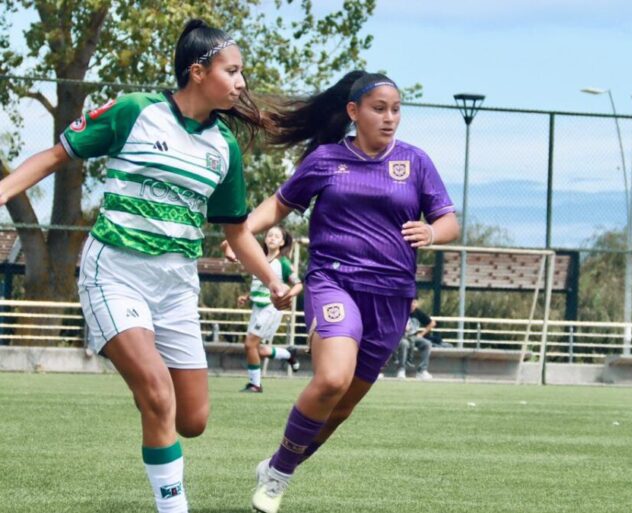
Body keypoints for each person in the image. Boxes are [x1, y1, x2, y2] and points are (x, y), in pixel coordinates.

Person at [0, 19, 290, 513]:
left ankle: (150, 391)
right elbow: (54, 156)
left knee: (192, 420)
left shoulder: (223, 147)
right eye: (232, 71)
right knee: (157, 393)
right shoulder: (135, 111)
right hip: (114, 273)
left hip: (175, 287)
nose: (241, 82)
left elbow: (237, 232)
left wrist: (272, 279)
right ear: (198, 72)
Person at [222, 70, 459, 513]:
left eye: (396, 110)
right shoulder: (326, 159)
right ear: (354, 111)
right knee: (332, 379)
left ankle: (276, 465)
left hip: (392, 297)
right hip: (335, 282)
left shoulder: (416, 162)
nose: (389, 118)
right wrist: (241, 234)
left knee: (341, 409)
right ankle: (278, 479)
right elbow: (278, 205)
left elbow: (448, 221)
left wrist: (432, 231)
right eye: (379, 109)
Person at [238, 226, 303, 393]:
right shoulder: (259, 259)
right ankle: (288, 354)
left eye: (276, 236)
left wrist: (287, 296)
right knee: (256, 349)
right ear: (265, 239)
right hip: (257, 307)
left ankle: (255, 385)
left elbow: (298, 284)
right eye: (270, 235)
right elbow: (261, 284)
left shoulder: (283, 263)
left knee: (249, 345)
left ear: (282, 242)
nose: (272, 238)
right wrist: (247, 296)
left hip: (271, 308)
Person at [396, 298, 433, 379]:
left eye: (414, 302)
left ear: (417, 304)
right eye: (411, 302)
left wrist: (422, 334)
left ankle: (422, 371)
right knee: (404, 344)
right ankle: (401, 369)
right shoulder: (401, 311)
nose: (412, 304)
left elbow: (432, 323)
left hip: (414, 337)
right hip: (402, 337)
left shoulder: (418, 312)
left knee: (427, 344)